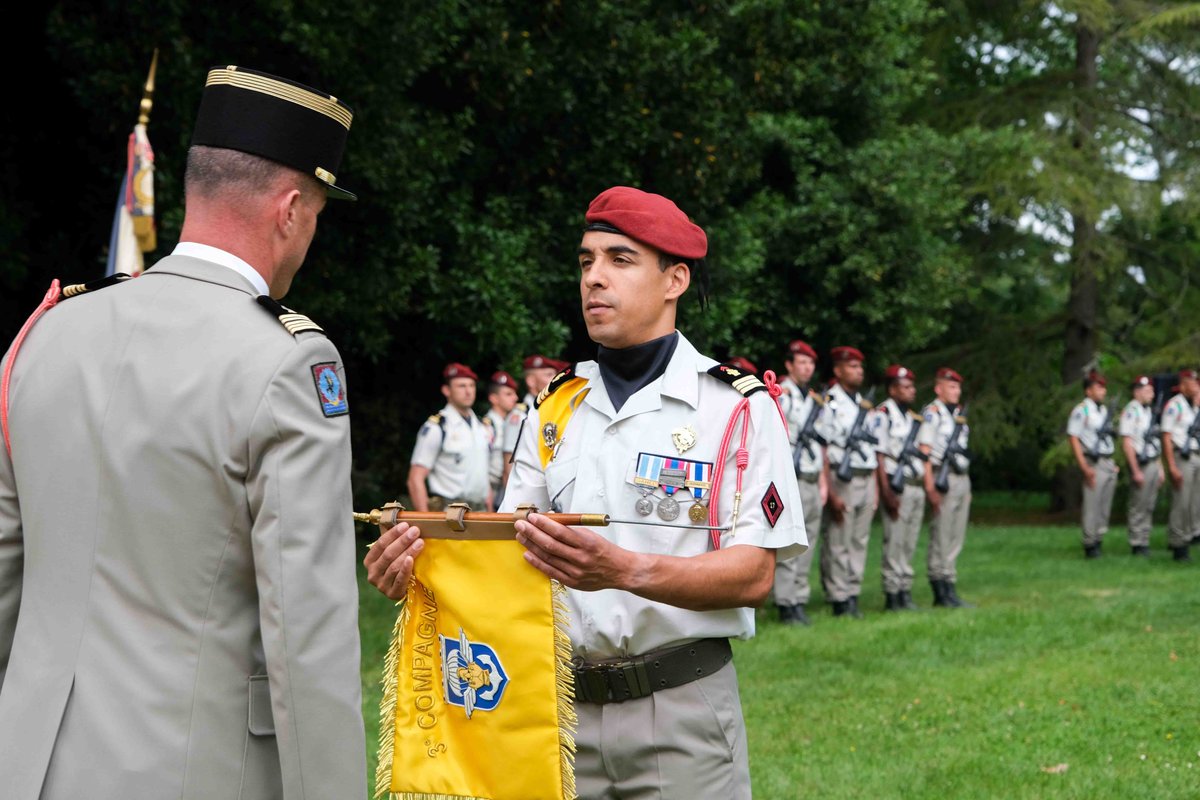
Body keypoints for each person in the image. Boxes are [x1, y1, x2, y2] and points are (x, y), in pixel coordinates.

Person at [0, 67, 371, 799]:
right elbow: (309, 639)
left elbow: (7, 566)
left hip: (28, 763)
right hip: (188, 771)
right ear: (291, 210)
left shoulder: (46, 336)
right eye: (320, 214)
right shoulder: (289, 361)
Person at [373, 186, 805, 799]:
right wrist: (420, 570)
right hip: (555, 711)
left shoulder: (733, 408)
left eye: (619, 260)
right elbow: (505, 554)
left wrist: (625, 569)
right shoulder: (555, 408)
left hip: (679, 707)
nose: (594, 279)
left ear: (674, 279)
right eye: (586, 262)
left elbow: (755, 576)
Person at [820, 346, 875, 618]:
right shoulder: (830, 401)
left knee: (859, 539)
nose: (858, 371)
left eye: (860, 367)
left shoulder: (863, 403)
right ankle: (839, 595)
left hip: (866, 476)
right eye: (852, 367)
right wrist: (830, 489)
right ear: (838, 370)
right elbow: (825, 449)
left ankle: (853, 592)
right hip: (843, 477)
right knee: (839, 537)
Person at [774, 339, 827, 625]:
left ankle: (800, 599)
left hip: (811, 477)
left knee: (809, 540)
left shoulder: (815, 399)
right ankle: (785, 601)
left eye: (811, 363)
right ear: (789, 365)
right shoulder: (782, 394)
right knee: (791, 538)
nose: (807, 368)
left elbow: (824, 443)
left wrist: (824, 482)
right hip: (790, 478)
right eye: (802, 362)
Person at [872, 364, 925, 611]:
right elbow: (879, 455)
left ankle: (905, 589)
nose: (911, 390)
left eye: (912, 386)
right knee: (894, 539)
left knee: (909, 539)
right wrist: (886, 491)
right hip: (896, 483)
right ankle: (893, 593)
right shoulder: (883, 413)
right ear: (893, 389)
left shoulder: (912, 417)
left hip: (915, 483)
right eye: (905, 387)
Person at [919, 368, 974, 607]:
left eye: (958, 387)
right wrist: (930, 486)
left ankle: (950, 582)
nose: (956, 391)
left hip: (961, 477)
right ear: (938, 388)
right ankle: (939, 587)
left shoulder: (958, 415)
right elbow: (925, 452)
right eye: (951, 387)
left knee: (956, 533)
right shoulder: (933, 413)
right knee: (941, 533)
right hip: (943, 476)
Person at [407, 362, 492, 512]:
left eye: (471, 386)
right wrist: (426, 521)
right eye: (461, 386)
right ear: (446, 390)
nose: (468, 391)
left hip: (480, 511)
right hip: (448, 512)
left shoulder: (482, 426)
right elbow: (415, 479)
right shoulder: (437, 427)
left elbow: (483, 475)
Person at [1066, 370, 1117, 558]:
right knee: (1092, 503)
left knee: (1104, 503)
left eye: (1104, 387)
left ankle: (1099, 538)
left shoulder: (1103, 410)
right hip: (1093, 460)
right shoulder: (1082, 410)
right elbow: (1073, 438)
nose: (1103, 391)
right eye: (1098, 387)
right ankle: (1090, 543)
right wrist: (1084, 467)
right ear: (1088, 391)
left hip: (1107, 459)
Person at [1120, 375, 1163, 556]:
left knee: (1149, 504)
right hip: (1141, 462)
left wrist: (1160, 468)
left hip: (1153, 461)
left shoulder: (1148, 412)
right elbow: (1127, 442)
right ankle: (1137, 543)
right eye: (1147, 391)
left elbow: (1155, 442)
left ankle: (1145, 539)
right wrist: (1135, 470)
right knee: (1139, 504)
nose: (1151, 394)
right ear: (1137, 392)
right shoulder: (1132, 411)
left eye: (1152, 390)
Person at [1161, 369, 1200, 562]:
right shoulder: (1174, 405)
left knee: (1192, 501)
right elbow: (1166, 437)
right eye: (1194, 382)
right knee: (1181, 501)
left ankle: (1187, 537)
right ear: (1184, 383)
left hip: (1195, 456)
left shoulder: (1193, 407)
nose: (1197, 386)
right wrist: (1172, 466)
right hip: (1181, 457)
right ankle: (1178, 544)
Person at [484, 370, 520, 503]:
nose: (515, 398)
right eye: (508, 394)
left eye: (514, 393)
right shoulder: (487, 427)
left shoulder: (510, 422)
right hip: (490, 494)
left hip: (504, 489)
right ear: (494, 398)